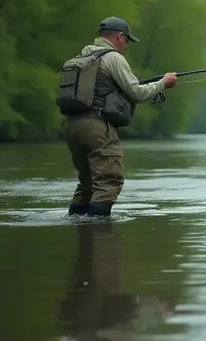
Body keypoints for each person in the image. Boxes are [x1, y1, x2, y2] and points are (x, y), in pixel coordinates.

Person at [56, 16, 177, 217]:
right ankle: (99, 235)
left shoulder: (83, 57)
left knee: (87, 184)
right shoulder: (113, 58)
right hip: (97, 126)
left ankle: (78, 229)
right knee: (108, 181)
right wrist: (163, 83)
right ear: (120, 36)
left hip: (74, 127)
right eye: (127, 40)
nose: (127, 45)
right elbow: (136, 93)